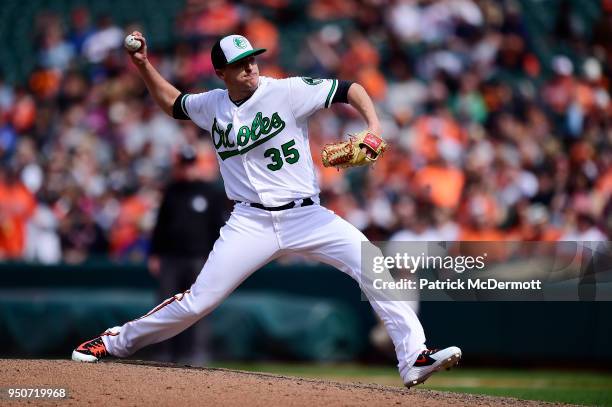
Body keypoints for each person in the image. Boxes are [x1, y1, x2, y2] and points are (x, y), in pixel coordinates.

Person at [71, 32, 461, 388]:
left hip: (306, 215)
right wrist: (143, 65)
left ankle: (413, 357)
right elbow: (173, 103)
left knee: (370, 261)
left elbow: (349, 88)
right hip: (250, 221)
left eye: (253, 59)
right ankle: (113, 343)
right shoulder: (212, 104)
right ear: (221, 72)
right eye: (241, 64)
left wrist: (373, 125)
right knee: (199, 301)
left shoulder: (286, 91)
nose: (251, 67)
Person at [148, 145, 226, 365]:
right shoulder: (171, 191)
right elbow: (160, 225)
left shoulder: (209, 192)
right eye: (184, 165)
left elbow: (218, 227)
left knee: (198, 307)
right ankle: (163, 354)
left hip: (199, 259)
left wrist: (216, 258)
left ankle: (197, 355)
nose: (187, 169)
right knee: (165, 306)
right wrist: (154, 254)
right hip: (170, 258)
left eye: (190, 164)